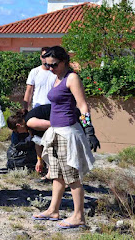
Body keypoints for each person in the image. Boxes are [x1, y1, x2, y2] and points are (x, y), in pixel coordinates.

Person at [32, 46, 96, 229]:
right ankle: (53, 209)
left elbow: (83, 106)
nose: (50, 68)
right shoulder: (57, 77)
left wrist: (89, 129)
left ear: (64, 62)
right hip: (56, 132)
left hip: (68, 133)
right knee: (57, 175)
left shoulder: (72, 78)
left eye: (54, 65)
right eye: (47, 65)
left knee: (72, 176)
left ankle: (79, 216)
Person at [23, 47, 57, 181]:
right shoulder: (34, 72)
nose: (45, 59)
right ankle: (39, 161)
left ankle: (51, 170)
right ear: (40, 57)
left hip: (52, 109)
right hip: (37, 109)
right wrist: (25, 108)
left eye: (47, 56)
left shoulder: (55, 72)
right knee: (38, 139)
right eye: (43, 56)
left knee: (52, 139)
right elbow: (29, 91)